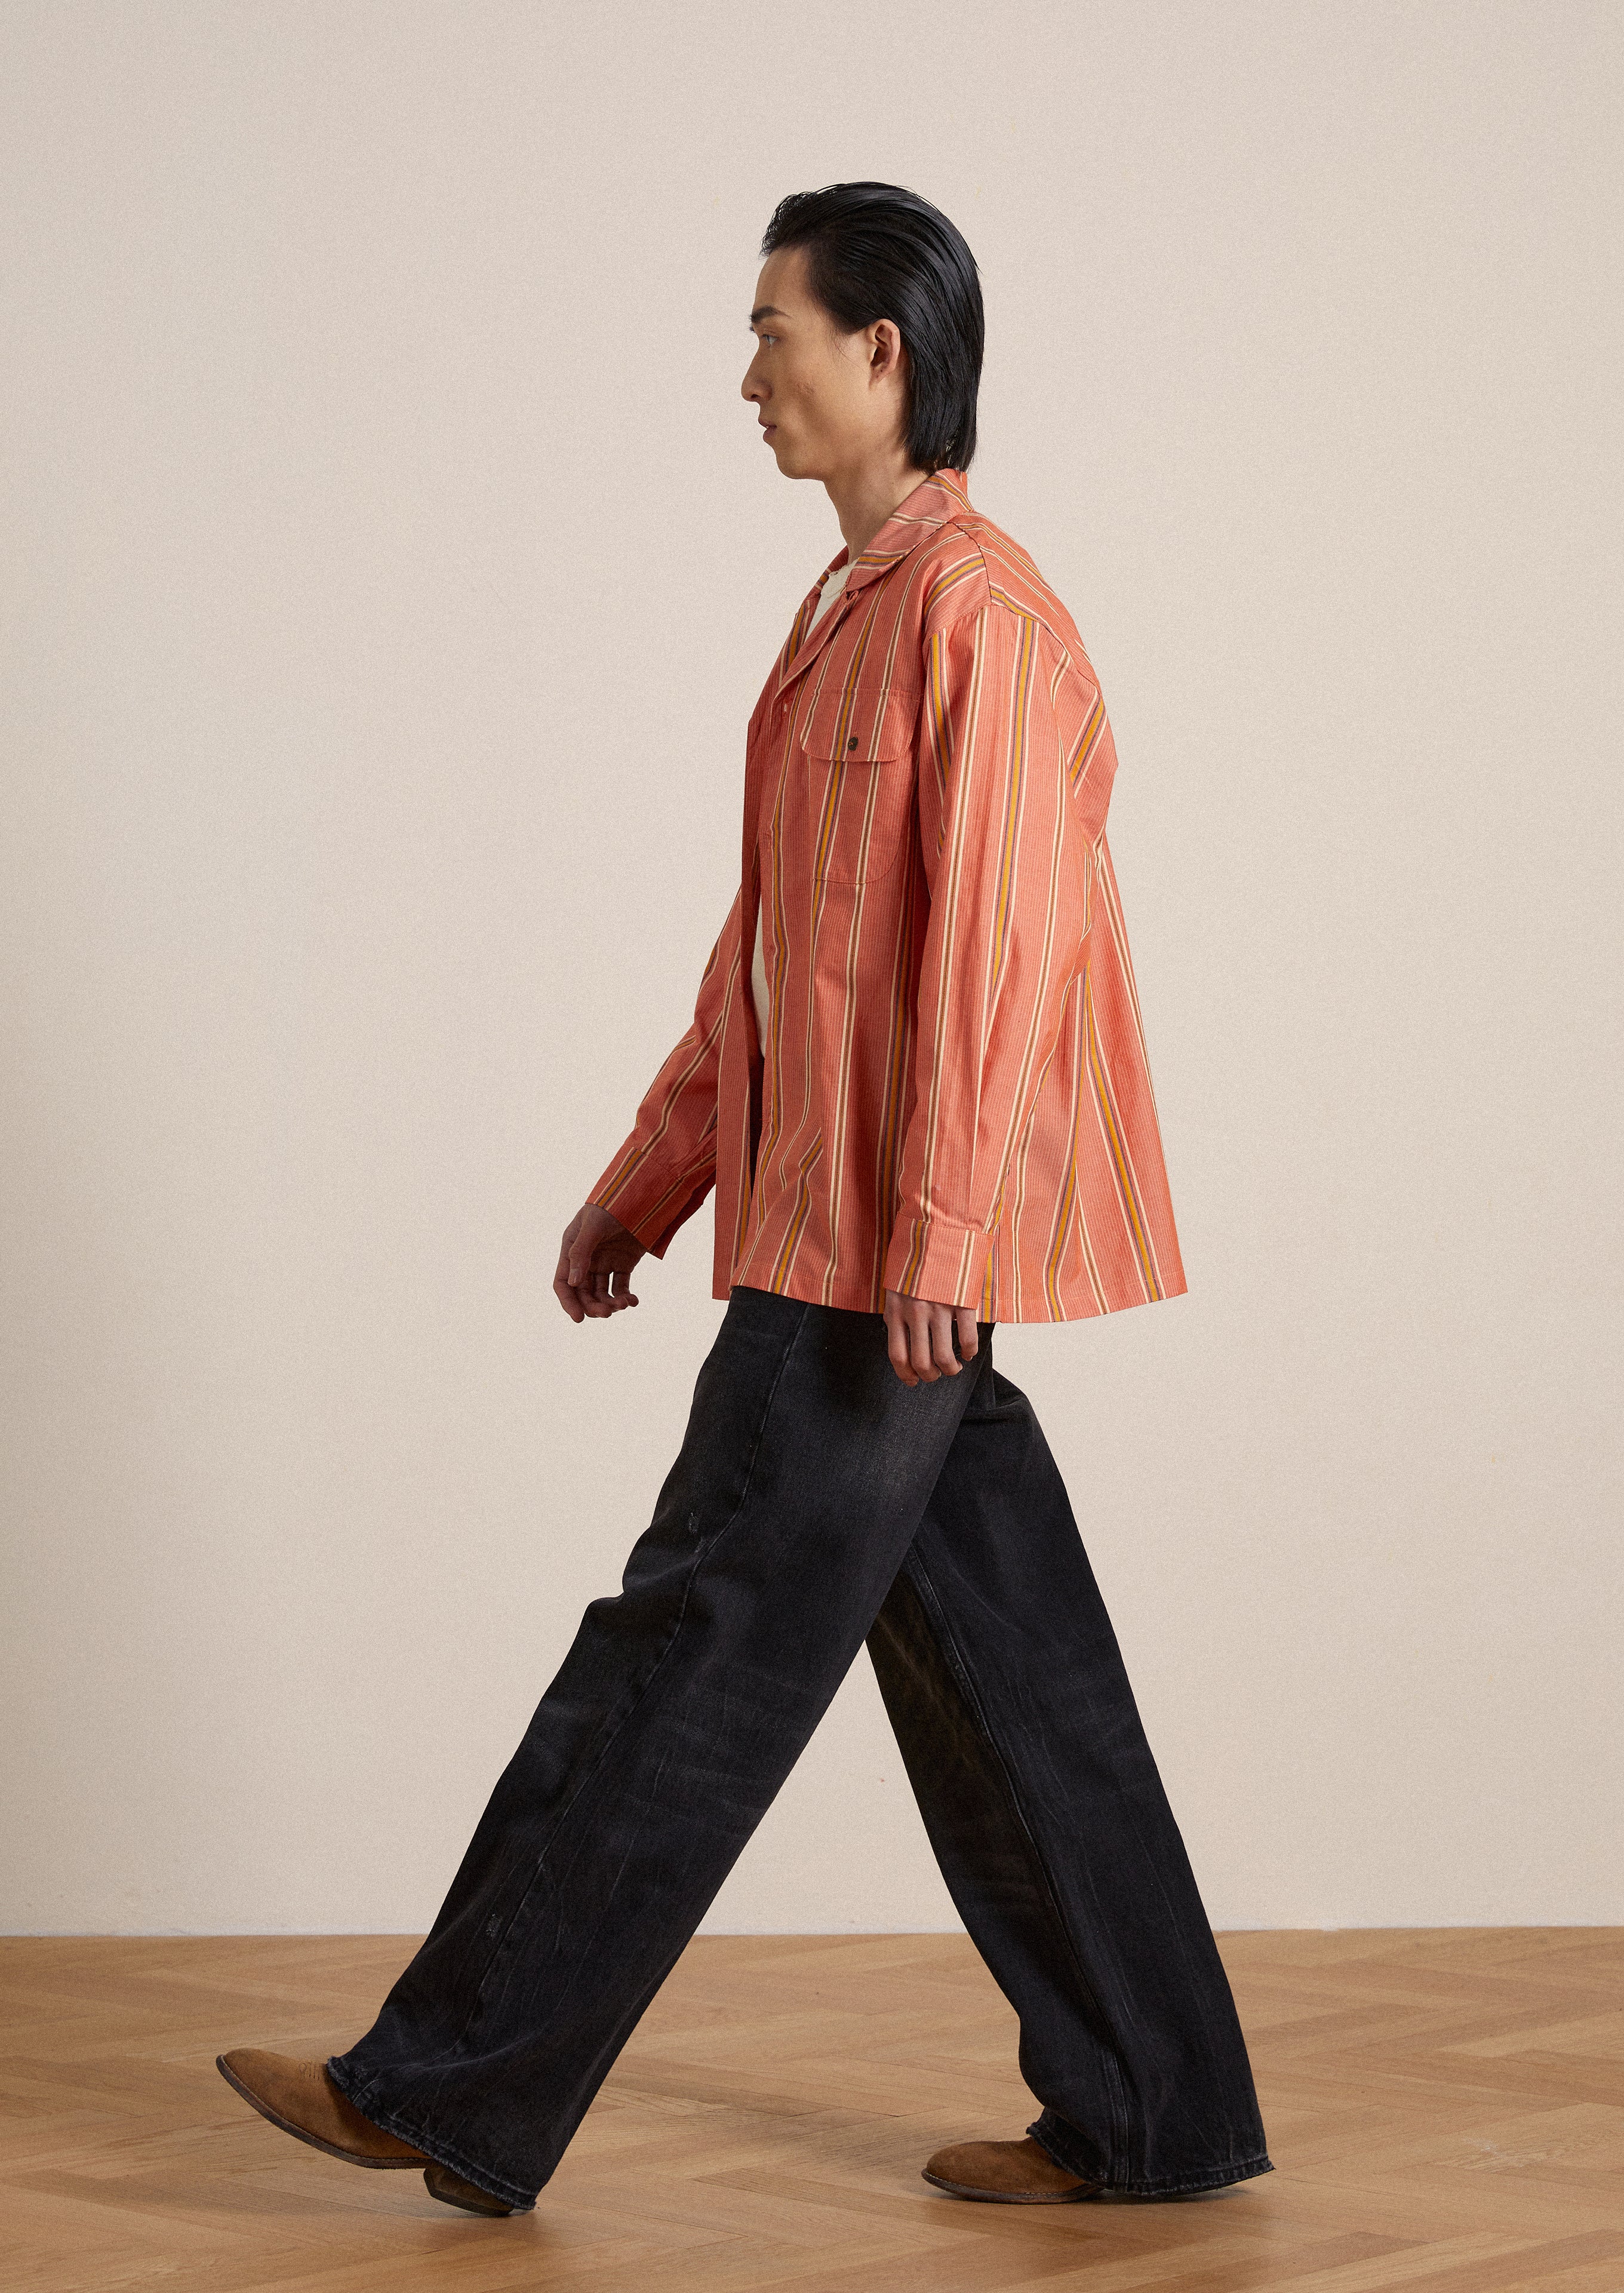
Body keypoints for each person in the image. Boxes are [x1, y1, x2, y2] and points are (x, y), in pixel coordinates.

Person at [216, 181, 1272, 2220]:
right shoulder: (851, 618)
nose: (748, 372)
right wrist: (654, 1173)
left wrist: (948, 1238)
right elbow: (778, 955)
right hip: (836, 1231)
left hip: (882, 1261)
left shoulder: (985, 620)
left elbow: (1001, 953)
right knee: (1015, 1679)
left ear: (885, 353)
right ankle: (1161, 2108)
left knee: (682, 1657)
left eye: (775, 329)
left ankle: (447, 2083)